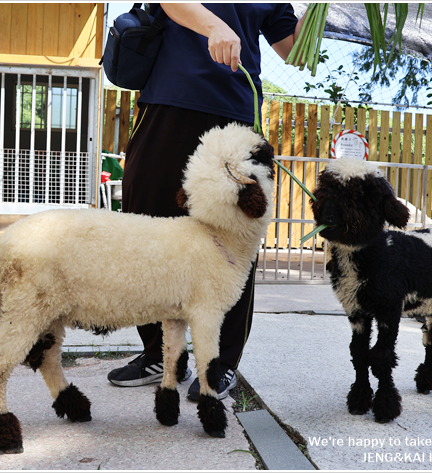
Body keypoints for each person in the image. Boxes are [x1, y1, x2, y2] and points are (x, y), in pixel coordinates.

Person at [107, 3, 306, 401]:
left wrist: (321, 12)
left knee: (234, 241)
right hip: (168, 96)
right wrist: (214, 25)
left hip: (233, 110)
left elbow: (293, 50)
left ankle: (220, 362)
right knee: (144, 226)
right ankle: (161, 354)